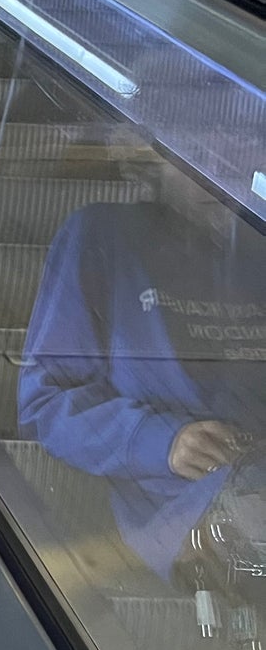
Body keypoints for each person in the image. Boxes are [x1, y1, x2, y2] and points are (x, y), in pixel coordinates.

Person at [19, 162, 266, 599]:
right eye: (202, 141)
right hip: (192, 505)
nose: (221, 163)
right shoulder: (104, 234)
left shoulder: (256, 241)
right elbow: (46, 401)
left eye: (240, 136)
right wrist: (162, 442)